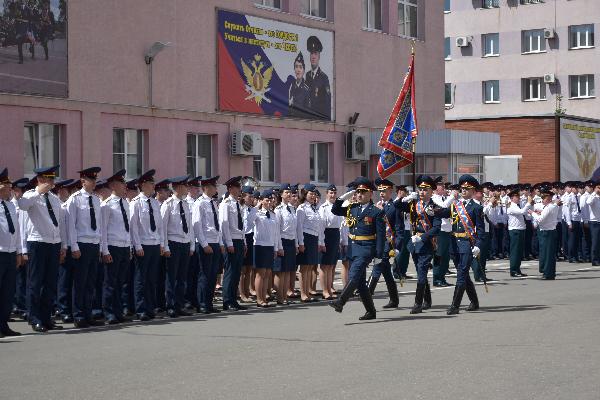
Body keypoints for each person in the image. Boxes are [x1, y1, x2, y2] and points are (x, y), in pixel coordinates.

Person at [18, 165, 67, 332]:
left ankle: (47, 318)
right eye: (49, 179)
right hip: (37, 243)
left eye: (53, 179)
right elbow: (22, 205)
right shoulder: (31, 195)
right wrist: (38, 191)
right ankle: (34, 317)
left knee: (50, 283)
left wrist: (63, 245)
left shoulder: (54, 199)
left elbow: (60, 224)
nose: (52, 182)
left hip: (53, 243)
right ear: (40, 179)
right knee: (35, 283)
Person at [329, 177, 384, 321]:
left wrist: (379, 254)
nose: (359, 195)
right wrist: (346, 195)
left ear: (370, 194)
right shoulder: (352, 208)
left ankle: (340, 301)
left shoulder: (376, 212)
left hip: (366, 248)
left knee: (354, 274)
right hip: (353, 247)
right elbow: (335, 210)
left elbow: (381, 235)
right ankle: (371, 311)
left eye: (363, 192)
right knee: (360, 283)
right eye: (358, 192)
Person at [437, 175, 485, 315]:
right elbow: (442, 212)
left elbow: (481, 231)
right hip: (454, 243)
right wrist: (432, 211)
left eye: (467, 189)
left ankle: (455, 305)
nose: (464, 191)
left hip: (466, 243)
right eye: (462, 188)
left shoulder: (476, 207)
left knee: (462, 273)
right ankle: (474, 301)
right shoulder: (455, 204)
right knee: (462, 273)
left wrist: (478, 245)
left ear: (473, 190)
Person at [64, 167, 103, 328]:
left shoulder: (95, 199)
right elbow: (70, 225)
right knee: (80, 282)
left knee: (90, 282)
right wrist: (74, 246)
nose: (94, 183)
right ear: (82, 181)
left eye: (95, 180)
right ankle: (78, 315)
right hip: (81, 244)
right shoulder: (75, 199)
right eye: (91, 180)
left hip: (94, 244)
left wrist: (100, 246)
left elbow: (99, 224)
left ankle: (88, 313)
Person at [403, 176, 441, 314]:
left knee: (422, 272)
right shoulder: (414, 204)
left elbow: (436, 227)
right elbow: (395, 207)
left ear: (431, 191)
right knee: (420, 272)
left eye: (425, 190)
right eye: (420, 189)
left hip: (426, 243)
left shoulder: (435, 207)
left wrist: (423, 237)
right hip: (414, 242)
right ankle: (428, 300)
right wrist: (404, 198)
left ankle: (418, 303)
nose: (422, 192)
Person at [130, 169, 164, 321]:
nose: (153, 186)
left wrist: (161, 243)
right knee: (141, 279)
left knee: (152, 279)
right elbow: (134, 227)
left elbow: (160, 225)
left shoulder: (155, 203)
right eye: (151, 183)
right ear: (143, 185)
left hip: (155, 244)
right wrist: (137, 246)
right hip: (143, 245)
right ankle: (141, 308)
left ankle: (150, 308)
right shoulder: (136, 203)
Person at [160, 175, 194, 318]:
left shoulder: (186, 204)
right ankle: (170, 305)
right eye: (185, 186)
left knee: (182, 277)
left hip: (184, 243)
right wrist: (165, 247)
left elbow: (190, 226)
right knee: (171, 277)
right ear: (179, 187)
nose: (188, 188)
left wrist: (191, 244)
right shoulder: (168, 204)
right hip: (173, 243)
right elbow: (163, 228)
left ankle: (179, 305)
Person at [100, 170, 132, 324]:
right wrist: (104, 250)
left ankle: (118, 311)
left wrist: (130, 247)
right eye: (122, 183)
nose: (125, 186)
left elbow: (129, 227)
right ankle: (109, 312)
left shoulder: (125, 203)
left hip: (124, 246)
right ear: (113, 185)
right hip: (112, 246)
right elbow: (103, 230)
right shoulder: (107, 205)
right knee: (110, 282)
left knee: (121, 282)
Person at [192, 176, 224, 314]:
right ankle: (202, 303)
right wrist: (204, 244)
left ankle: (209, 303)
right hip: (205, 243)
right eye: (213, 186)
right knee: (204, 275)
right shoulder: (200, 203)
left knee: (212, 275)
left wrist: (220, 242)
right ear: (206, 188)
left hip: (215, 242)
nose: (216, 188)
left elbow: (218, 225)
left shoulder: (213, 203)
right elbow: (197, 225)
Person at [367, 178, 400, 309]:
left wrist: (397, 246)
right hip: (378, 243)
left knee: (377, 268)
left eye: (384, 191)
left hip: (388, 243)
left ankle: (367, 294)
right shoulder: (376, 205)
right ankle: (394, 299)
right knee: (386, 272)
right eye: (380, 191)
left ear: (390, 191)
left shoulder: (394, 207)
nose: (381, 193)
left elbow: (399, 228)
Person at [247, 189, 282, 307]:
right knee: (260, 273)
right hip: (260, 246)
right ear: (262, 200)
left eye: (271, 200)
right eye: (267, 200)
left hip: (270, 246)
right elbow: (248, 220)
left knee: (267, 273)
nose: (269, 202)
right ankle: (259, 299)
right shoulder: (257, 213)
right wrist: (257, 206)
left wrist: (276, 248)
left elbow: (276, 233)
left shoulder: (273, 215)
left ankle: (264, 297)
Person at [219, 176, 247, 311]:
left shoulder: (238, 204)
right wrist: (228, 243)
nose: (239, 189)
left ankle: (234, 299)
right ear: (230, 189)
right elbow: (224, 226)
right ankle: (227, 300)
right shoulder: (225, 204)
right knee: (230, 271)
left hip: (239, 240)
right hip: (231, 240)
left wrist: (244, 241)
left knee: (237, 272)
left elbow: (242, 226)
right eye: (237, 187)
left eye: (239, 187)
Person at [0, 169, 23, 337]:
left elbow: (17, 231)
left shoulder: (10, 205)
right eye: (7, 185)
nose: (10, 188)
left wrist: (18, 252)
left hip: (10, 254)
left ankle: (3, 324)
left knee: (8, 292)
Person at [296, 184, 324, 303]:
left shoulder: (314, 208)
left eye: (314, 194)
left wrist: (318, 241)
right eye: (310, 194)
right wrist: (301, 243)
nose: (313, 196)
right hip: (305, 238)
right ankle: (303, 294)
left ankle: (307, 292)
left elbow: (317, 226)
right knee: (304, 268)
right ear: (305, 195)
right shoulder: (301, 208)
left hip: (313, 238)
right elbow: (299, 227)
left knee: (309, 267)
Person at [274, 183, 297, 305]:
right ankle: (280, 297)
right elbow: (276, 230)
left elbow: (295, 228)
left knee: (288, 270)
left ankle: (285, 296)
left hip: (291, 241)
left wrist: (296, 244)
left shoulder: (292, 208)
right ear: (281, 194)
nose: (289, 194)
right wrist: (279, 246)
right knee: (280, 271)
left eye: (290, 192)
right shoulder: (278, 210)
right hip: (282, 241)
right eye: (286, 192)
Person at [318, 184, 343, 300]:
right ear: (326, 194)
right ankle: (325, 291)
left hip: (335, 235)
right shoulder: (323, 208)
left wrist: (339, 241)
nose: (333, 195)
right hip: (326, 235)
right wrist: (321, 242)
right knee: (325, 266)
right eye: (331, 193)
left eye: (334, 193)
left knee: (331, 265)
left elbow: (340, 225)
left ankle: (329, 287)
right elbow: (321, 227)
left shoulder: (337, 206)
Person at [530, 188, 559, 280]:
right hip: (548, 231)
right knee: (547, 253)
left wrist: (533, 213)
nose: (543, 200)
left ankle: (548, 273)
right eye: (543, 198)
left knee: (548, 254)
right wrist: (539, 213)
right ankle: (548, 272)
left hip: (547, 232)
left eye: (544, 198)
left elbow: (540, 219)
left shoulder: (549, 207)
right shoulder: (553, 206)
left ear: (549, 198)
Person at [10, 177, 29, 320]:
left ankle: (22, 305)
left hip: (22, 246)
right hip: (12, 247)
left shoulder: (24, 205)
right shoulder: (10, 205)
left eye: (21, 191)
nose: (19, 193)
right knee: (15, 279)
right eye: (17, 190)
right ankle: (15, 304)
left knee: (23, 279)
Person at [431, 178, 455, 287]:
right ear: (435, 187)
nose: (444, 187)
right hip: (439, 231)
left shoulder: (444, 198)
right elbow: (444, 207)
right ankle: (436, 279)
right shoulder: (434, 198)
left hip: (448, 229)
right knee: (438, 256)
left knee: (446, 257)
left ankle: (442, 278)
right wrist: (452, 197)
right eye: (441, 185)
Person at [506, 188, 532, 277]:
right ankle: (513, 270)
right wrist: (528, 203)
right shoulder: (511, 207)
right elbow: (522, 212)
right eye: (516, 196)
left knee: (519, 251)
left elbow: (525, 213)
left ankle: (517, 269)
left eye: (518, 196)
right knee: (515, 251)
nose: (518, 198)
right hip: (515, 230)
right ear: (512, 198)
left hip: (520, 229)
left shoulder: (517, 206)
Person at [305, 36, 331, 120]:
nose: (313, 56)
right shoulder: (307, 75)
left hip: (318, 120)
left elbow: (327, 103)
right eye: (311, 53)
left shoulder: (324, 78)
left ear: (319, 56)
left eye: (315, 53)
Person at [240, 185, 257, 302]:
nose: (251, 198)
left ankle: (247, 291)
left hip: (252, 238)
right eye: (249, 196)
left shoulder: (252, 209)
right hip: (243, 237)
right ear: (243, 196)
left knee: (249, 268)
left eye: (252, 196)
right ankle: (242, 294)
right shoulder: (240, 208)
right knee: (242, 269)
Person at [288, 52, 311, 119]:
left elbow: (308, 112)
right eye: (296, 67)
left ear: (303, 70)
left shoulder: (306, 90)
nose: (298, 70)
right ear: (294, 69)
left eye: (300, 67)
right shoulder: (291, 86)